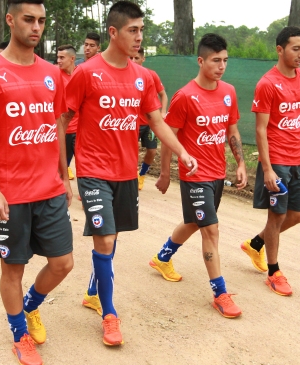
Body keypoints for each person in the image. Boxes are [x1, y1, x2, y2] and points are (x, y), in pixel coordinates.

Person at [63, 1, 197, 346]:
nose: (140, 37)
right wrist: (63, 174)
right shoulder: (86, 72)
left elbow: (156, 120)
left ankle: (93, 291)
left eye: (142, 30)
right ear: (113, 32)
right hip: (92, 171)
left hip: (125, 173)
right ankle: (109, 314)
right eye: (132, 30)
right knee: (105, 238)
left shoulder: (143, 77)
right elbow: (62, 121)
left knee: (112, 237)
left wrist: (182, 151)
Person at [0, 1, 73, 364]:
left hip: (49, 188)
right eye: (28, 19)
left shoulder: (51, 73)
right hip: (9, 195)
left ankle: (30, 306)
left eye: (41, 21)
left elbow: (58, 125)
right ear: (11, 20)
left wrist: (65, 175)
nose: (36, 27)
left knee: (63, 263)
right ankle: (19, 333)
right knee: (13, 268)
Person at [151, 33, 247, 319]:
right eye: (216, 60)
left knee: (194, 222)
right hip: (194, 175)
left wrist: (240, 163)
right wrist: (166, 173)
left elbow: (232, 131)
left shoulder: (228, 92)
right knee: (211, 230)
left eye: (225, 61)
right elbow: (170, 137)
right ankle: (220, 294)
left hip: (217, 173)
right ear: (201, 60)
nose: (221, 66)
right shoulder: (185, 96)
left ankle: (162, 257)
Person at [241, 26, 300, 296]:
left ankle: (255, 243)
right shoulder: (267, 83)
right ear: (280, 49)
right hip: (277, 160)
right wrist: (267, 169)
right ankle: (274, 272)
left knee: (297, 215)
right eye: (296, 48)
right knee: (277, 215)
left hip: (298, 160)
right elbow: (260, 129)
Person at [130, 47, 168, 190]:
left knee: (152, 151)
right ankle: (131, 177)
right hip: (132, 123)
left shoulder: (151, 75)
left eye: (136, 58)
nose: (133, 61)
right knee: (131, 152)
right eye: (131, 58)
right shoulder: (126, 75)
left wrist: (163, 112)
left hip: (150, 123)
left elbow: (163, 94)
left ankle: (142, 175)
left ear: (143, 59)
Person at [57, 44, 78, 180]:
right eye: (57, 57)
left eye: (62, 57)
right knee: (60, 166)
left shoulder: (81, 74)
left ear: (72, 58)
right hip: (61, 129)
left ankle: (88, 192)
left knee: (84, 163)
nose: (58, 61)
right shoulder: (54, 75)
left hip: (79, 130)